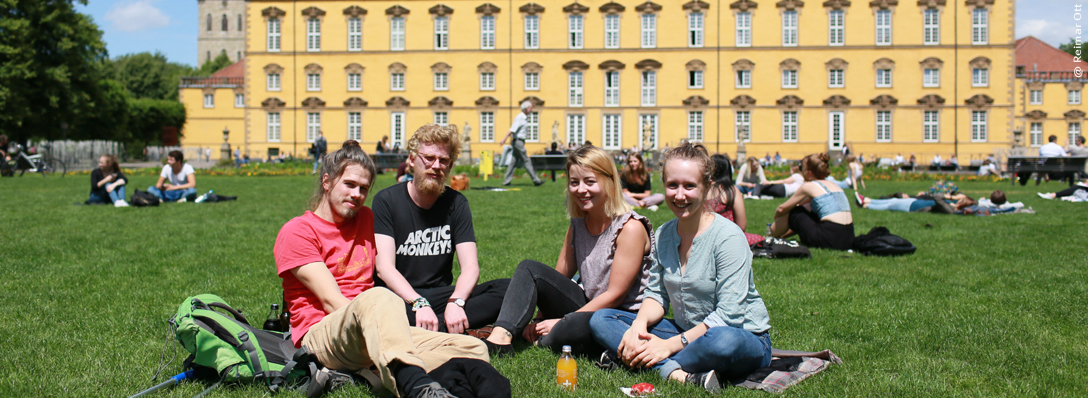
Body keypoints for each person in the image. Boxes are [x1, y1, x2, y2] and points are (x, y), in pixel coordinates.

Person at [273, 141, 501, 398]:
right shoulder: (298, 231)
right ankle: (414, 387)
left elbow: (388, 264)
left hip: (374, 326)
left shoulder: (367, 219)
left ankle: (391, 378)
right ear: (327, 182)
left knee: (473, 348)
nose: (357, 194)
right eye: (349, 184)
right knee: (378, 296)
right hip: (323, 334)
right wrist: (385, 325)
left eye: (363, 188)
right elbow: (331, 301)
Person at [589, 142, 772, 393]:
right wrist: (638, 327)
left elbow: (729, 316)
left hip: (742, 336)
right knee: (602, 318)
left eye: (689, 186)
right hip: (687, 331)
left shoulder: (728, 237)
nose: (680, 195)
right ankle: (675, 372)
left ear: (707, 187)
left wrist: (669, 345)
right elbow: (656, 294)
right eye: (672, 185)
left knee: (722, 342)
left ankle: (640, 362)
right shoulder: (664, 234)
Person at [483, 145, 653, 356]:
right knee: (529, 269)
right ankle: (501, 336)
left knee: (573, 328)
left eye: (590, 181)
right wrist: (540, 318)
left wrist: (562, 321)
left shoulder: (630, 228)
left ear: (609, 181)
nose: (581, 190)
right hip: (588, 304)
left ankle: (553, 339)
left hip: (616, 317)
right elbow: (556, 279)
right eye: (574, 182)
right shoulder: (578, 224)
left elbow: (615, 296)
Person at [372, 124, 510, 334]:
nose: (436, 166)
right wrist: (418, 303)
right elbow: (384, 268)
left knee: (509, 289)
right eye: (428, 158)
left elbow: (471, 268)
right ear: (411, 160)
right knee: (378, 308)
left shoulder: (457, 203)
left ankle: (428, 328)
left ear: (450, 165)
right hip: (401, 296)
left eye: (443, 160)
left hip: (442, 296)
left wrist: (456, 302)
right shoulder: (387, 201)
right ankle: (451, 329)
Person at [769, 154, 854, 250]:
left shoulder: (809, 186)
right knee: (806, 211)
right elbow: (801, 218)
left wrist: (777, 216)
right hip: (848, 238)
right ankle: (778, 237)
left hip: (828, 238)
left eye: (802, 169)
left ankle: (767, 238)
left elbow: (782, 209)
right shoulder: (834, 185)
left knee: (795, 211)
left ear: (809, 172)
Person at [705, 154, 763, 246]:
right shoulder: (731, 191)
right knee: (760, 240)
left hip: (702, 237)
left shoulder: (700, 190)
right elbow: (742, 226)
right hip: (727, 238)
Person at [499, 101, 544, 187]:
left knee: (513, 162)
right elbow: (512, 130)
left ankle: (506, 181)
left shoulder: (524, 118)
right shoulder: (520, 118)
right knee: (526, 160)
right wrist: (504, 139)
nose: (532, 110)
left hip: (519, 141)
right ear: (526, 109)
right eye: (531, 108)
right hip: (518, 141)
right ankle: (536, 180)